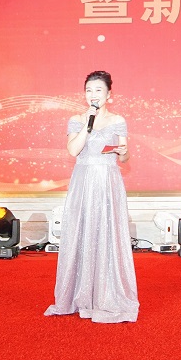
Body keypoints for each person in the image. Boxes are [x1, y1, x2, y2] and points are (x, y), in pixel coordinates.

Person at [45, 71, 139, 323]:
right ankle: (80, 295)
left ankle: (107, 295)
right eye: (89, 90)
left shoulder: (118, 120)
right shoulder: (77, 120)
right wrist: (88, 124)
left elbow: (125, 157)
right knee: (81, 232)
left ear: (109, 94)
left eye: (98, 90)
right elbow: (74, 150)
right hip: (83, 181)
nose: (93, 95)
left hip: (108, 182)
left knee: (107, 233)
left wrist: (123, 151)